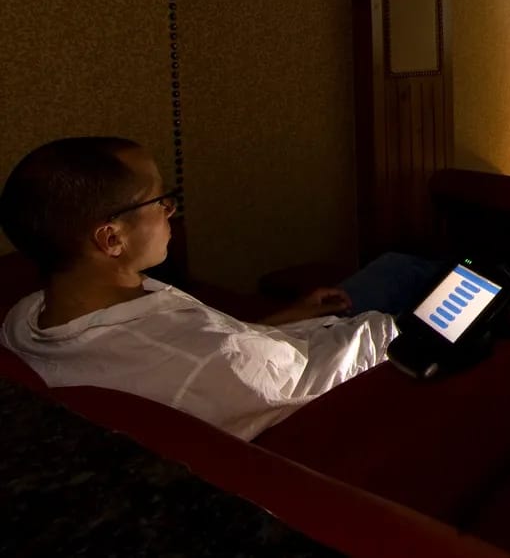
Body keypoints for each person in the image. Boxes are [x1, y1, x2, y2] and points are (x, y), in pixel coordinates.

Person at [0, 137, 443, 440]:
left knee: (396, 267)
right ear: (111, 238)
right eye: (159, 200)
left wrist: (279, 320)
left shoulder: (25, 318)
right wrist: (412, 330)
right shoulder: (204, 360)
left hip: (277, 343)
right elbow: (309, 374)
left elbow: (208, 350)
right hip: (342, 359)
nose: (170, 211)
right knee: (444, 290)